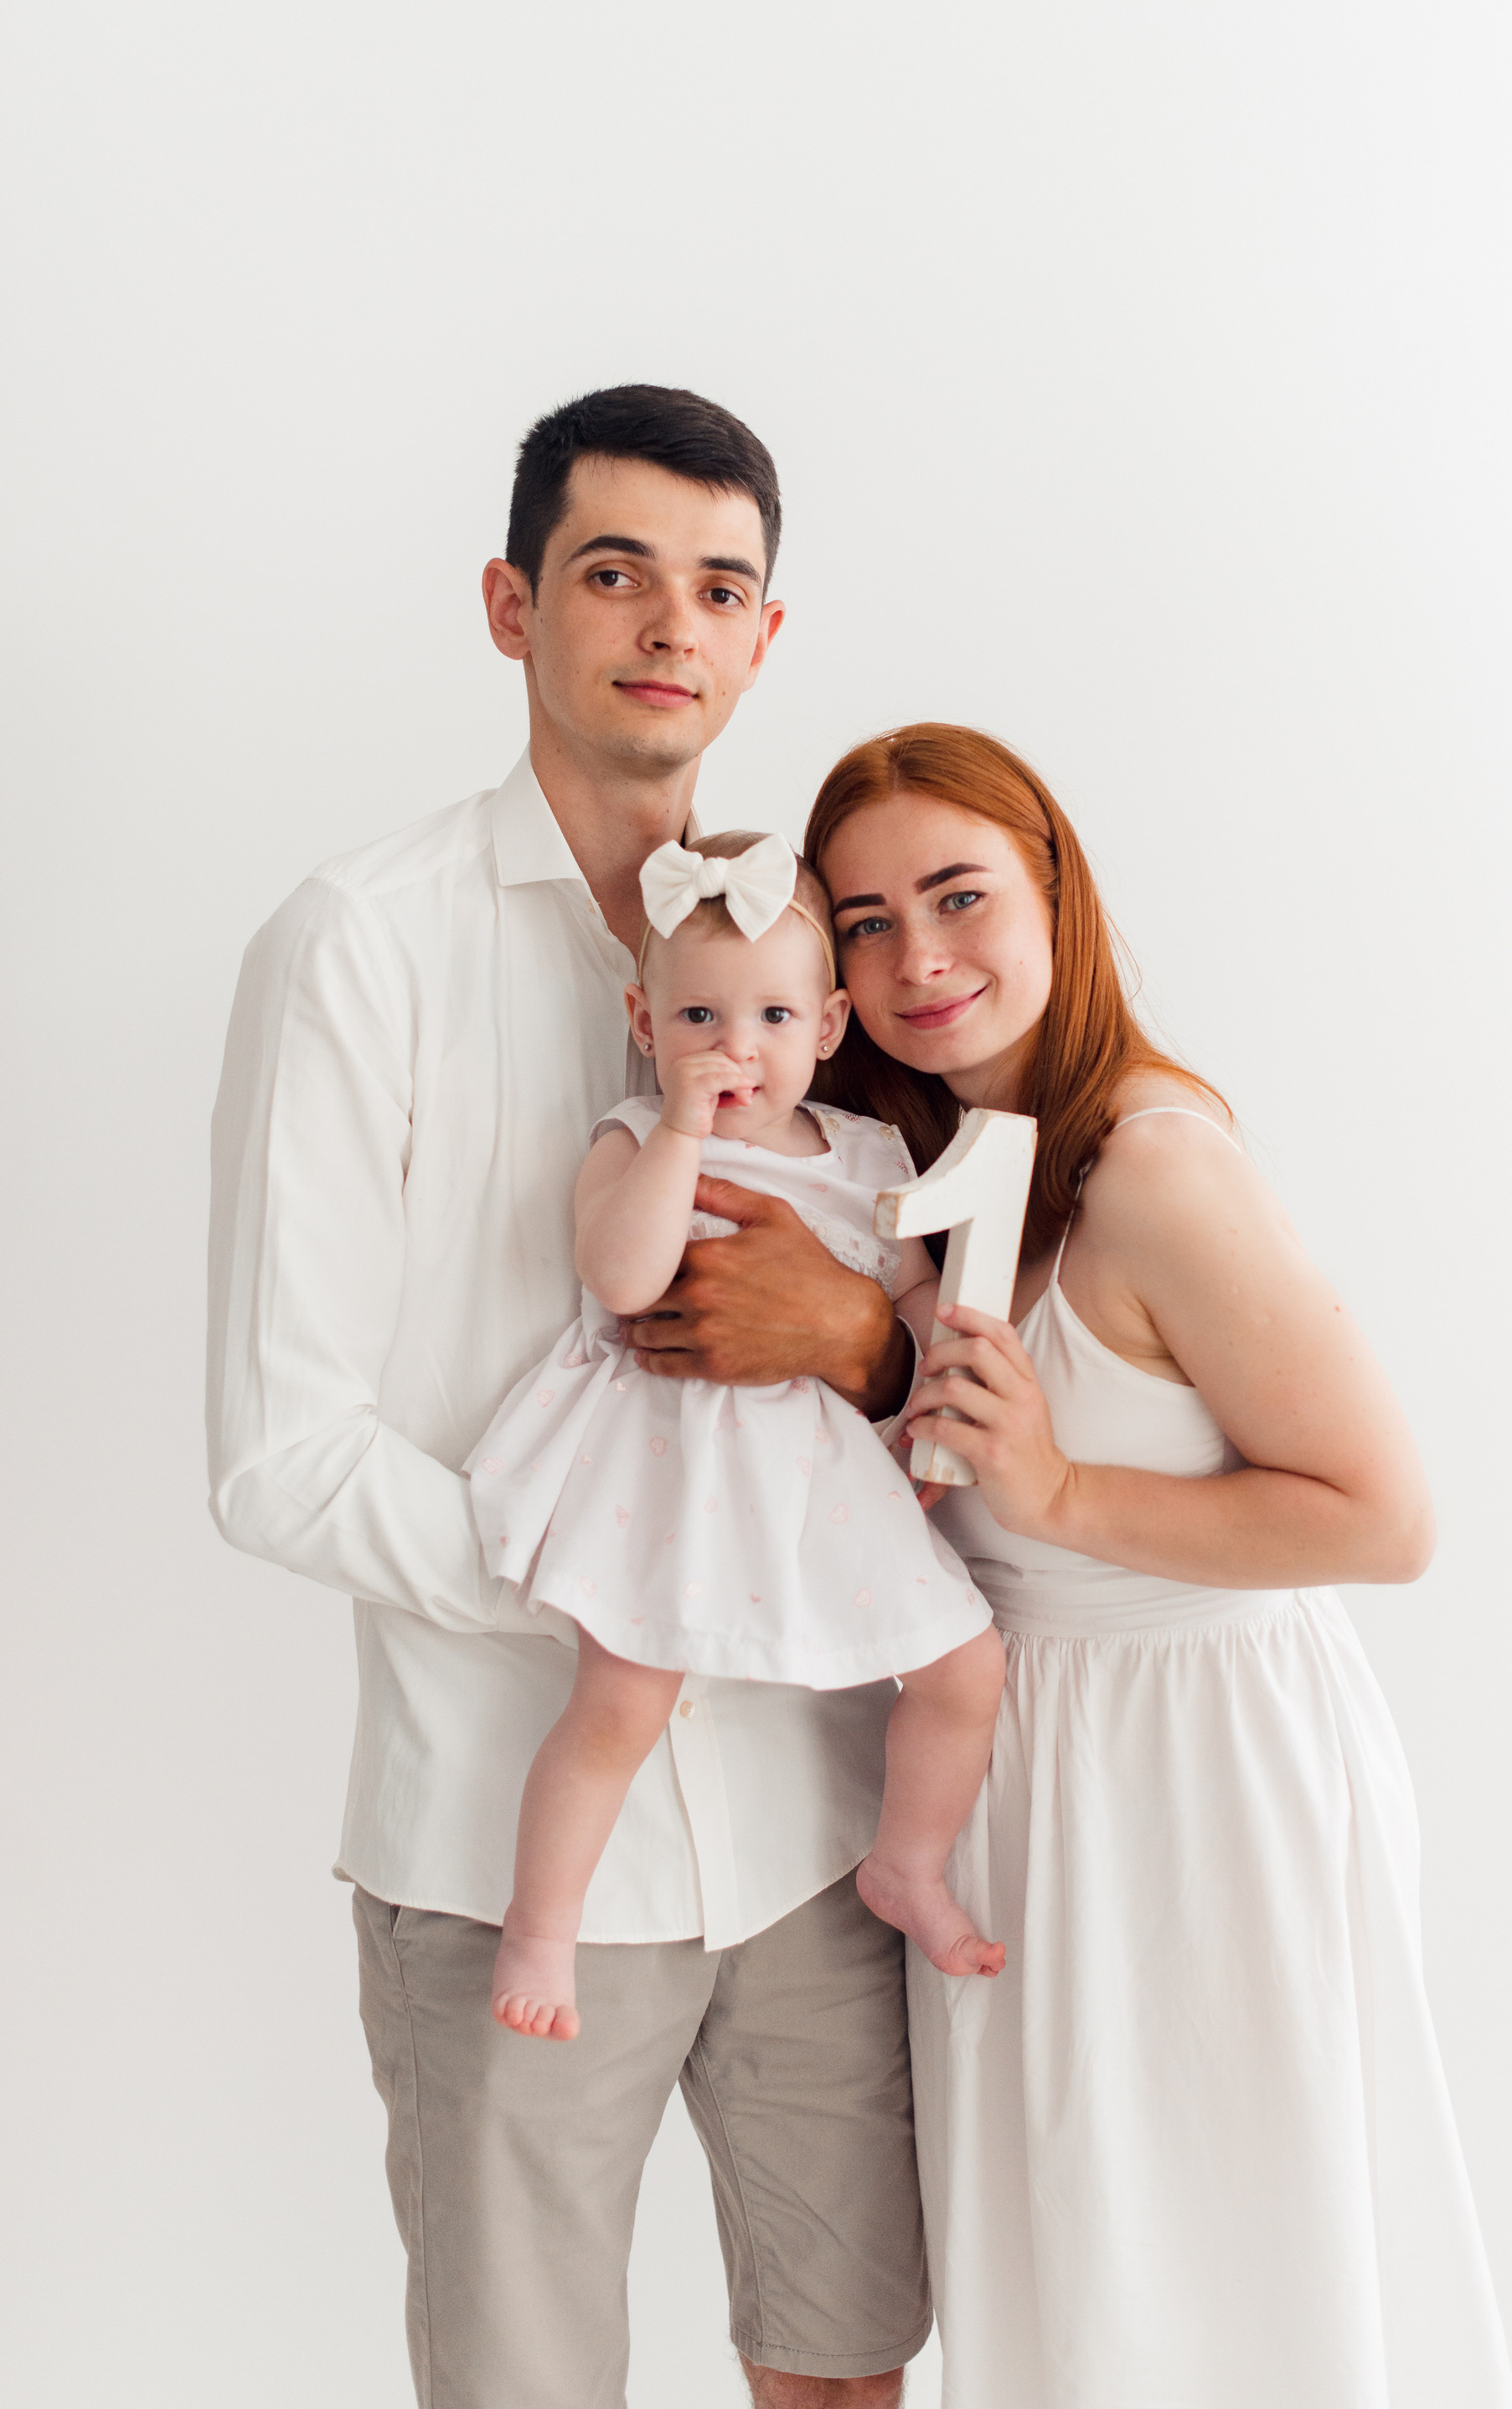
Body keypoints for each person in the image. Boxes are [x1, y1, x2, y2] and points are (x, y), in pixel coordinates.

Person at [207, 388, 931, 2409]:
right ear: (513, 606)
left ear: (766, 637)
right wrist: (631, 1590)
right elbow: (280, 1453)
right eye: (615, 573)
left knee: (847, 2373)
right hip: (502, 1842)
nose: (671, 624)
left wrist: (859, 1348)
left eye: (721, 587)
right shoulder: (361, 946)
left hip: (814, 1823)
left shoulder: (840, 950)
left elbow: (918, 1346)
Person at [802, 722, 1512, 2409]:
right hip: (1022, 1782)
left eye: (960, 897)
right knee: (1078, 2293)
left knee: (1232, 2275)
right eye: (865, 923)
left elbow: (1384, 1517)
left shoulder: (1153, 1168)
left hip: (1202, 1766)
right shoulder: (940, 1174)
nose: (918, 960)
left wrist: (1053, 1491)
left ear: (1056, 892)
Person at [470, 828, 1006, 2041]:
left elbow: (914, 1295)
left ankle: (907, 1863)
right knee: (620, 1703)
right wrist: (676, 1132)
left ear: (827, 1027)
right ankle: (541, 1928)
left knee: (967, 1670)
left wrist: (934, 1380)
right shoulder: (633, 1137)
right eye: (700, 1017)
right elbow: (621, 1275)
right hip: (669, 1459)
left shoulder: (865, 1153)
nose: (735, 1050)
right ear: (645, 1024)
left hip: (815, 1469)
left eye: (771, 1017)